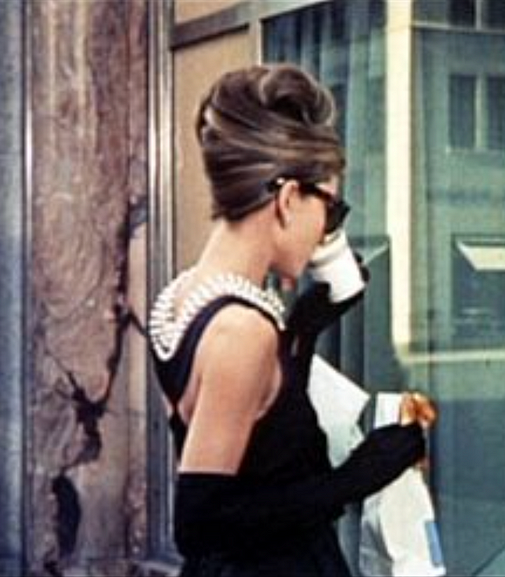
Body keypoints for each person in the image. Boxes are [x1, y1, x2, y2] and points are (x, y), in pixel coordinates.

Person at [147, 64, 436, 576]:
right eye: (331, 208)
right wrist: (362, 473)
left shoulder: (182, 297)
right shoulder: (244, 331)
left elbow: (257, 443)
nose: (329, 229)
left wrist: (303, 327)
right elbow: (201, 524)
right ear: (286, 200)